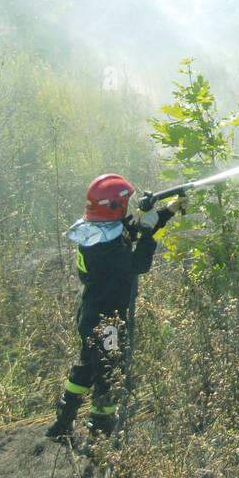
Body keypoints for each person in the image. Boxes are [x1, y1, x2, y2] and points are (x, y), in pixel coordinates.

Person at [46, 173, 181, 442]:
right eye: (125, 203)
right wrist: (145, 234)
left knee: (86, 366)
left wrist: (167, 211)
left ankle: (63, 421)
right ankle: (100, 426)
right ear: (113, 206)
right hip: (109, 321)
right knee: (110, 369)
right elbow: (138, 263)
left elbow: (126, 233)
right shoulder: (104, 246)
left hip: (90, 314)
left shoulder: (93, 232)